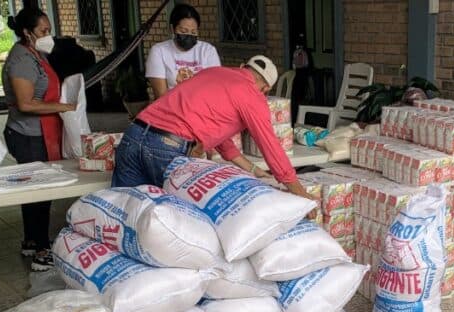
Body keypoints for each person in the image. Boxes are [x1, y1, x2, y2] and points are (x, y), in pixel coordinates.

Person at [112, 55, 313, 205]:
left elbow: (217, 134)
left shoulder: (213, 73)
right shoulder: (253, 96)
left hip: (133, 134)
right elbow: (270, 147)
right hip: (167, 148)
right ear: (266, 89)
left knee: (122, 209)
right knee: (169, 219)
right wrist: (300, 192)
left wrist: (252, 169)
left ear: (243, 67)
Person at [2, 7, 77, 271]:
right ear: (27, 32)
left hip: (38, 132)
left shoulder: (36, 53)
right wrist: (64, 108)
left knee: (37, 191)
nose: (48, 36)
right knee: (39, 190)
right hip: (28, 134)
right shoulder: (22, 59)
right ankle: (42, 249)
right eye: (43, 31)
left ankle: (33, 241)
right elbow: (26, 103)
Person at [145, 4, 220, 99]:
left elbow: (215, 87)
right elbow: (161, 97)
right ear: (172, 29)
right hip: (171, 109)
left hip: (202, 108)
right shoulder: (159, 51)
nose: (189, 35)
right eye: (184, 31)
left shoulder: (208, 51)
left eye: (193, 32)